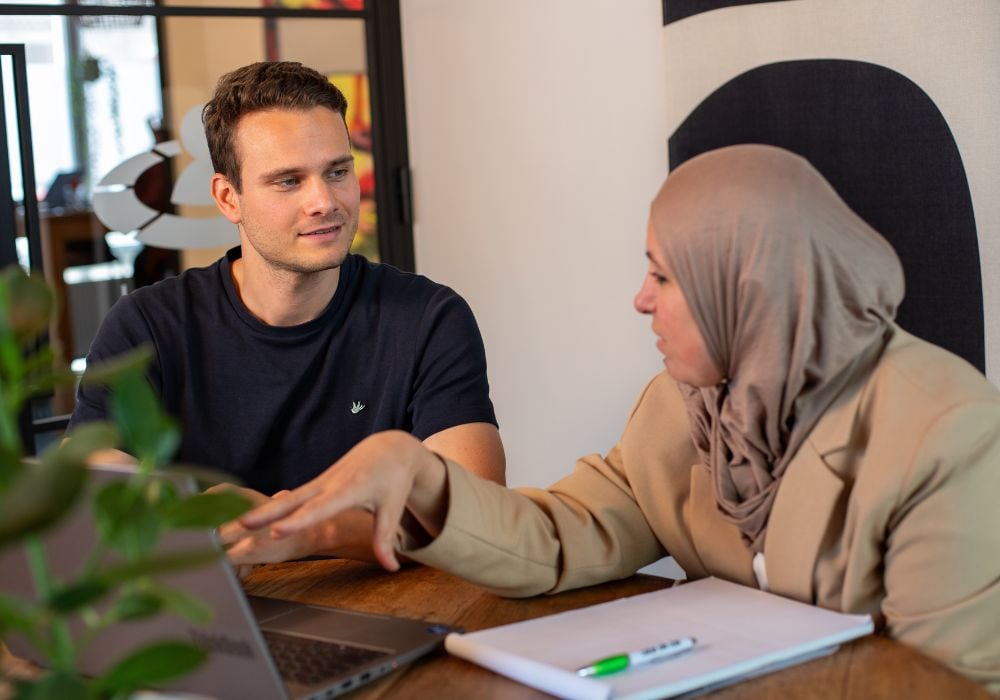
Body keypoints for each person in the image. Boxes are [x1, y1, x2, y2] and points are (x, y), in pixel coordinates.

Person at [241, 144, 1000, 690]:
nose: (641, 299)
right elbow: (562, 535)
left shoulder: (947, 431)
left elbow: (948, 683)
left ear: (749, 289)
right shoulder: (685, 404)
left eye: (664, 275)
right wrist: (413, 476)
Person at [69, 61, 505, 566]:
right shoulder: (147, 326)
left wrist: (303, 530)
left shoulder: (429, 318)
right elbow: (89, 489)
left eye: (337, 172)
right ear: (229, 198)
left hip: (388, 608)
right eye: (288, 181)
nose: (324, 201)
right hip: (215, 617)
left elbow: (477, 514)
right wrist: (187, 508)